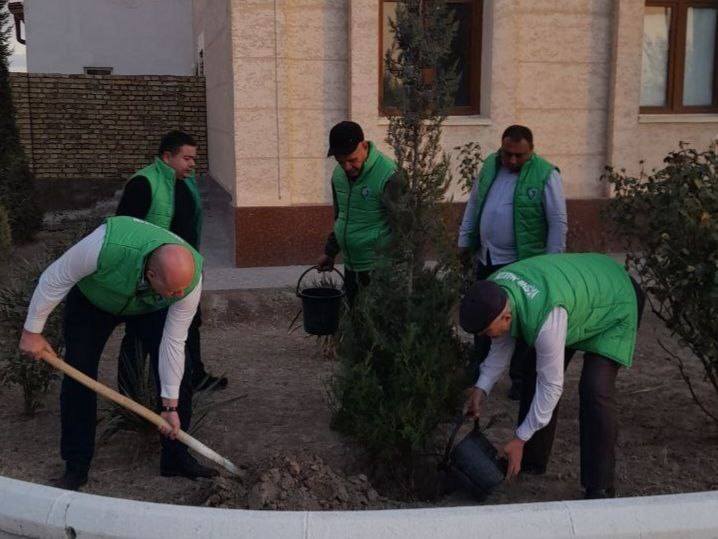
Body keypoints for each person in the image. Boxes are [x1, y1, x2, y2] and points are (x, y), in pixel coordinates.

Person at [18, 216, 219, 491]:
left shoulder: (187, 281)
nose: (180, 294)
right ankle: (76, 466)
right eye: (174, 290)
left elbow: (172, 342)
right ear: (152, 275)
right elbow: (56, 277)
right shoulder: (104, 245)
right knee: (79, 374)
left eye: (183, 288)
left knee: (180, 369)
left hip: (148, 306)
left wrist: (170, 406)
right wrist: (32, 331)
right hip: (94, 300)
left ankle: (175, 458)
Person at [459, 253, 645, 499]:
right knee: (533, 369)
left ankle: (599, 487)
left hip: (615, 298)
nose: (486, 336)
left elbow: (552, 386)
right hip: (576, 297)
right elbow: (501, 346)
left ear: (505, 316)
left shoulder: (546, 319)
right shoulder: (496, 292)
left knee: (594, 388)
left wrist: (519, 437)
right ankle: (532, 461)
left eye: (486, 331)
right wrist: (480, 389)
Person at [458, 125, 568, 400]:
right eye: (508, 154)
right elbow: (474, 204)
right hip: (488, 256)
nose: (513, 160)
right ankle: (480, 374)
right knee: (483, 314)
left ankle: (520, 379)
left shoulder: (546, 174)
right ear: (501, 148)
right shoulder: (490, 167)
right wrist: (464, 239)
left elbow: (557, 223)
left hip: (522, 264)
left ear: (531, 151)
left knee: (518, 323)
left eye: (520, 155)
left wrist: (551, 266)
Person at [116, 130, 227, 391]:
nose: (192, 164)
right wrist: (141, 277)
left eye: (193, 159)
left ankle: (193, 376)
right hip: (151, 279)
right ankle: (130, 396)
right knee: (139, 334)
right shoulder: (143, 184)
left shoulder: (186, 182)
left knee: (189, 326)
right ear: (167, 157)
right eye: (187, 158)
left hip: (184, 273)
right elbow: (124, 233)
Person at [316, 121, 396, 303]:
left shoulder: (389, 174)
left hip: (379, 270)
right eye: (340, 161)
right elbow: (342, 217)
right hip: (351, 266)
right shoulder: (338, 176)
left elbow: (404, 229)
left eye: (352, 160)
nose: (347, 167)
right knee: (355, 321)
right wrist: (330, 252)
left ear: (364, 146)